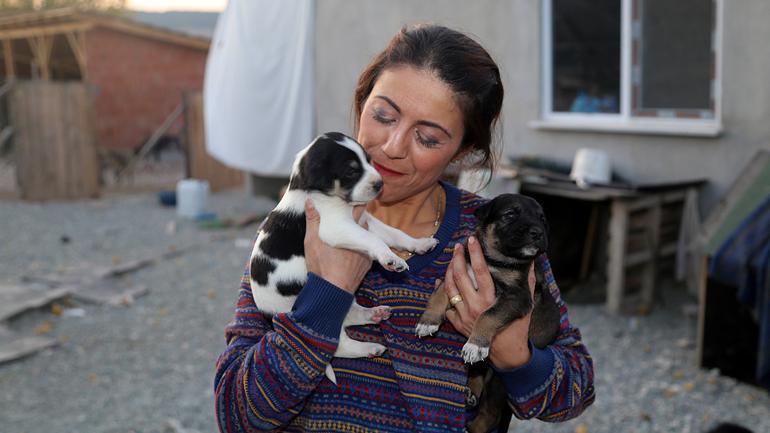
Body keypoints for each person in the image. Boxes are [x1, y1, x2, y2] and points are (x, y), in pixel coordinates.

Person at [214, 24, 595, 433]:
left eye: (427, 137)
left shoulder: (495, 233)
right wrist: (325, 296)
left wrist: (513, 355)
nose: (393, 146)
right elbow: (238, 415)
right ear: (361, 103)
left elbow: (574, 390)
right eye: (382, 115)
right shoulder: (296, 227)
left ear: (464, 151)